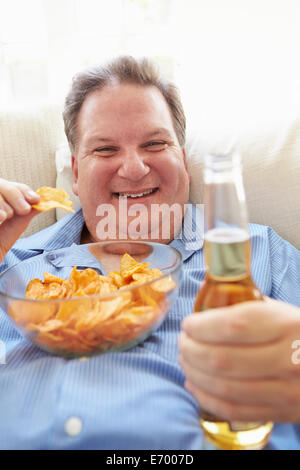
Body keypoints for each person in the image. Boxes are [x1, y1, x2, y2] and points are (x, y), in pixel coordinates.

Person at [0, 56, 300, 450]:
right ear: (74, 173)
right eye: (106, 149)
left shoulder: (260, 253)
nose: (134, 168)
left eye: (155, 143)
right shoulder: (12, 264)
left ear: (184, 162)